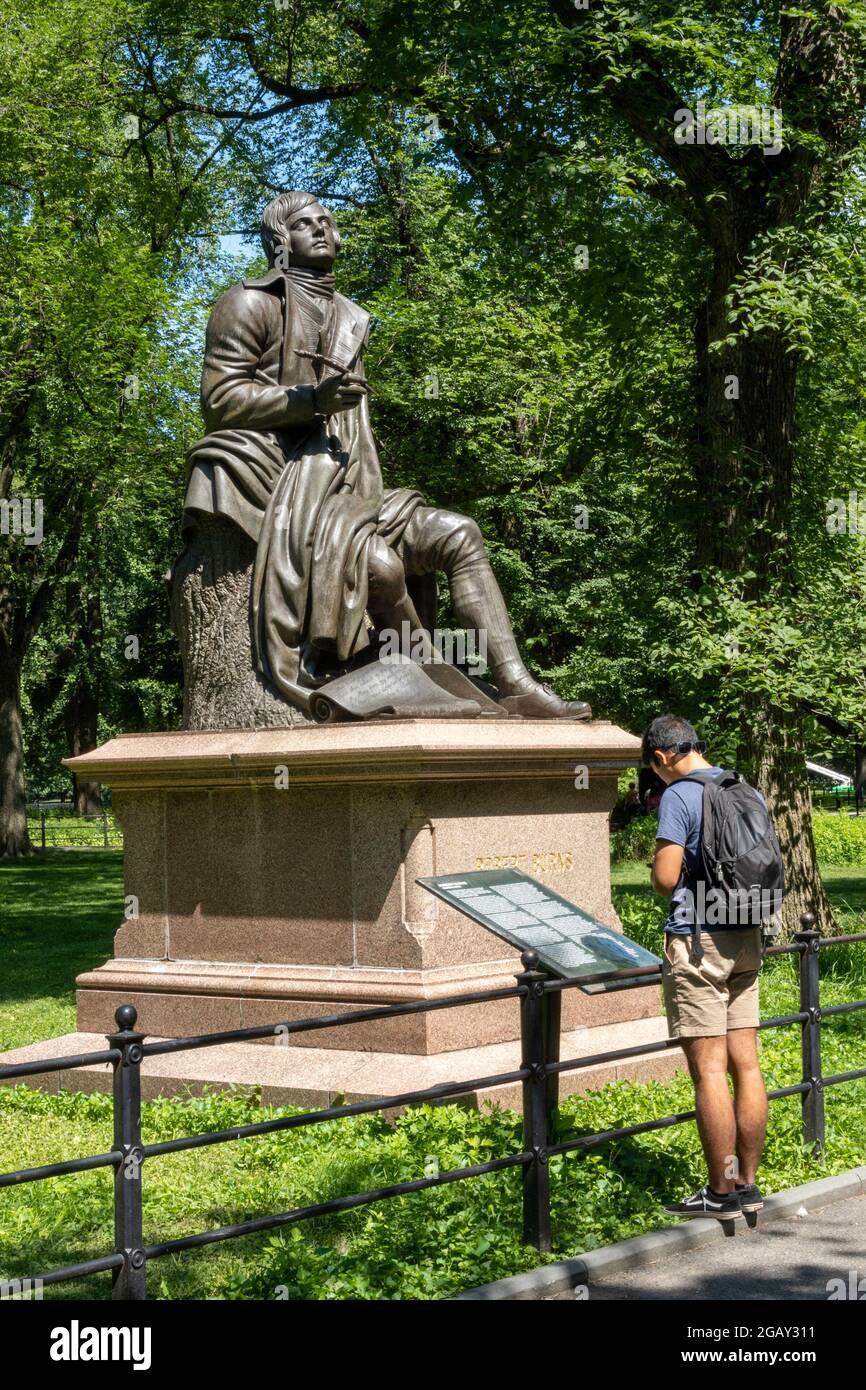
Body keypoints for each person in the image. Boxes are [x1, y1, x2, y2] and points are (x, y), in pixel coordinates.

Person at [180, 189, 591, 720]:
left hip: (350, 488)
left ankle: (516, 684)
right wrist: (307, 402)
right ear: (280, 239)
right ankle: (429, 680)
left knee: (459, 533)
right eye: (307, 224)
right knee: (378, 566)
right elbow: (220, 400)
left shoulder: (351, 316)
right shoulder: (250, 302)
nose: (324, 229)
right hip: (284, 485)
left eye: (329, 220)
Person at [643, 713, 768, 1222]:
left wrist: (661, 873)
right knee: (748, 1064)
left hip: (699, 944)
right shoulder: (745, 787)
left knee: (710, 1069)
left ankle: (719, 1191)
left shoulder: (678, 795)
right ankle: (749, 1185)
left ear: (661, 757)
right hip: (747, 936)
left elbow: (666, 878)